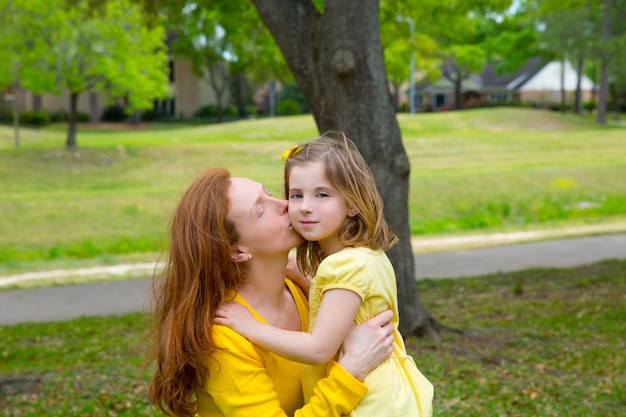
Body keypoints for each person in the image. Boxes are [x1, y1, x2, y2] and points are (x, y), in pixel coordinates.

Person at [145, 166, 396, 417]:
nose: (286, 204)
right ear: (236, 251)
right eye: (261, 209)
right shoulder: (224, 337)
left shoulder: (301, 287)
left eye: (269, 193)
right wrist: (351, 370)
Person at [215, 132, 434, 417]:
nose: (302, 206)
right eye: (296, 195)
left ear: (353, 204)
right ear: (237, 250)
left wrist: (250, 327)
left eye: (322, 194)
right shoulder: (366, 257)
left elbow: (318, 348)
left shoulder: (341, 267)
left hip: (370, 404)